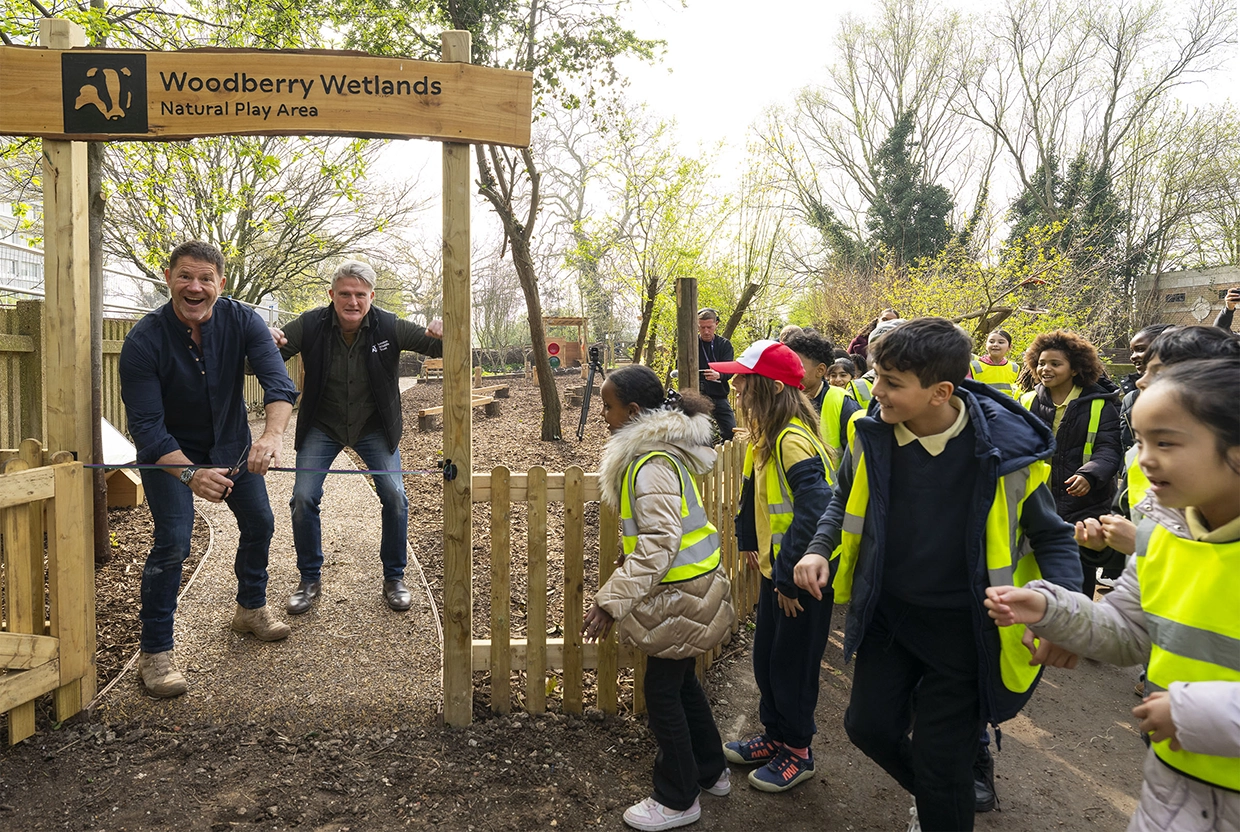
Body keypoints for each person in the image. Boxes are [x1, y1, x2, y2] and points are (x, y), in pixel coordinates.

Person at [792, 317, 1081, 832]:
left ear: (940, 392)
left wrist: (1064, 612)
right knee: (867, 728)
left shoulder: (1006, 455)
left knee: (943, 759)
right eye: (876, 376)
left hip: (966, 632)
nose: (874, 390)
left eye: (891, 383)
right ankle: (939, 797)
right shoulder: (870, 434)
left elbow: (1053, 536)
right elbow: (842, 499)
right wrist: (819, 548)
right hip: (889, 616)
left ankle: (940, 802)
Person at [986, 358, 1240, 832]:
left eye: (1165, 442)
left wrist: (1194, 714)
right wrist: (1050, 608)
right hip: (1175, 783)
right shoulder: (1166, 536)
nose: (1143, 459)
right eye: (1140, 441)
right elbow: (1127, 632)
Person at [119, 241, 300, 698]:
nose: (194, 287)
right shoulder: (143, 341)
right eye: (185, 277)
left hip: (232, 444)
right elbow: (147, 429)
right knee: (174, 543)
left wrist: (271, 438)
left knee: (260, 521)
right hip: (168, 455)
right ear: (168, 279)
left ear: (221, 283)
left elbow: (279, 384)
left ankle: (250, 608)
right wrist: (190, 474)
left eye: (205, 279)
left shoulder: (244, 321)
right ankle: (156, 653)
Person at [583, 365, 735, 831]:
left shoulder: (650, 465)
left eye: (607, 407)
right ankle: (712, 771)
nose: (603, 416)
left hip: (678, 597)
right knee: (681, 683)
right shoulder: (662, 453)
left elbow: (658, 544)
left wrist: (611, 601)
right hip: (692, 591)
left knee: (662, 693)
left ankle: (677, 796)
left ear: (633, 411)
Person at [269, 260, 443, 614]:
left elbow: (440, 350)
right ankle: (309, 579)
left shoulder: (390, 325)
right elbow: (259, 360)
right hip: (323, 424)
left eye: (360, 295)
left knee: (395, 496)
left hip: (373, 425)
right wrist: (262, 339)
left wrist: (445, 330)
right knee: (302, 498)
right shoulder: (309, 324)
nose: (352, 301)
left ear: (371, 297)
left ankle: (394, 578)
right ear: (331, 295)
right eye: (345, 294)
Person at [709, 340, 834, 793]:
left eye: (744, 381)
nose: (736, 388)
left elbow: (816, 510)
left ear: (771, 387)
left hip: (800, 580)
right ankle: (775, 735)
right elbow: (751, 494)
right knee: (767, 661)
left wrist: (787, 577)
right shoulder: (766, 437)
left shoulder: (793, 440)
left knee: (792, 667)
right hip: (776, 574)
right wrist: (747, 539)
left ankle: (797, 752)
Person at [1021, 330, 1124, 598]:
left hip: (1084, 504)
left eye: (1055, 363)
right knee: (1036, 574)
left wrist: (1089, 475)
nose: (1046, 369)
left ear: (1076, 369)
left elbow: (1109, 450)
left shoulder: (1101, 405)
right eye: (1042, 362)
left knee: (1078, 578)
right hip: (1037, 501)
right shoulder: (1028, 400)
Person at [784, 331, 861, 472]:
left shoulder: (842, 403)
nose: (789, 370)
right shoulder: (781, 400)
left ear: (820, 370)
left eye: (797, 365)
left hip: (831, 491)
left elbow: (858, 461)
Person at [1119, 324, 1175, 449]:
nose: (1133, 356)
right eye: (1132, 351)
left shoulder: (1192, 398)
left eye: (1140, 349)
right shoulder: (1130, 399)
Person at [697, 308, 736, 441]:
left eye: (709, 327)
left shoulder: (724, 345)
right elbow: (679, 367)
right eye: (702, 327)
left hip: (719, 395)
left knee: (731, 431)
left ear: (716, 325)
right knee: (702, 436)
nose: (706, 331)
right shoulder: (691, 344)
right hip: (698, 397)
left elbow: (730, 370)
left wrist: (719, 375)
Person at [969, 330, 1021, 399]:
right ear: (986, 345)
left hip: (1008, 408)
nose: (995, 344)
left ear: (1009, 347)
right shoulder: (973, 366)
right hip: (982, 407)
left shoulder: (1015, 368)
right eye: (991, 342)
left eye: (1001, 342)